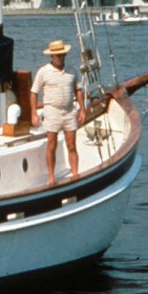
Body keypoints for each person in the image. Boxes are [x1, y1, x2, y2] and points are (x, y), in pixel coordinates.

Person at [31, 39, 86, 185]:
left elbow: (78, 90)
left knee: (71, 144)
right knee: (51, 144)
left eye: (63, 55)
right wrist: (33, 113)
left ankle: (75, 173)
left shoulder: (72, 71)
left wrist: (82, 109)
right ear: (51, 56)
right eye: (58, 55)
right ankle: (51, 177)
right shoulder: (43, 72)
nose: (61, 58)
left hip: (69, 111)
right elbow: (34, 93)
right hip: (52, 111)